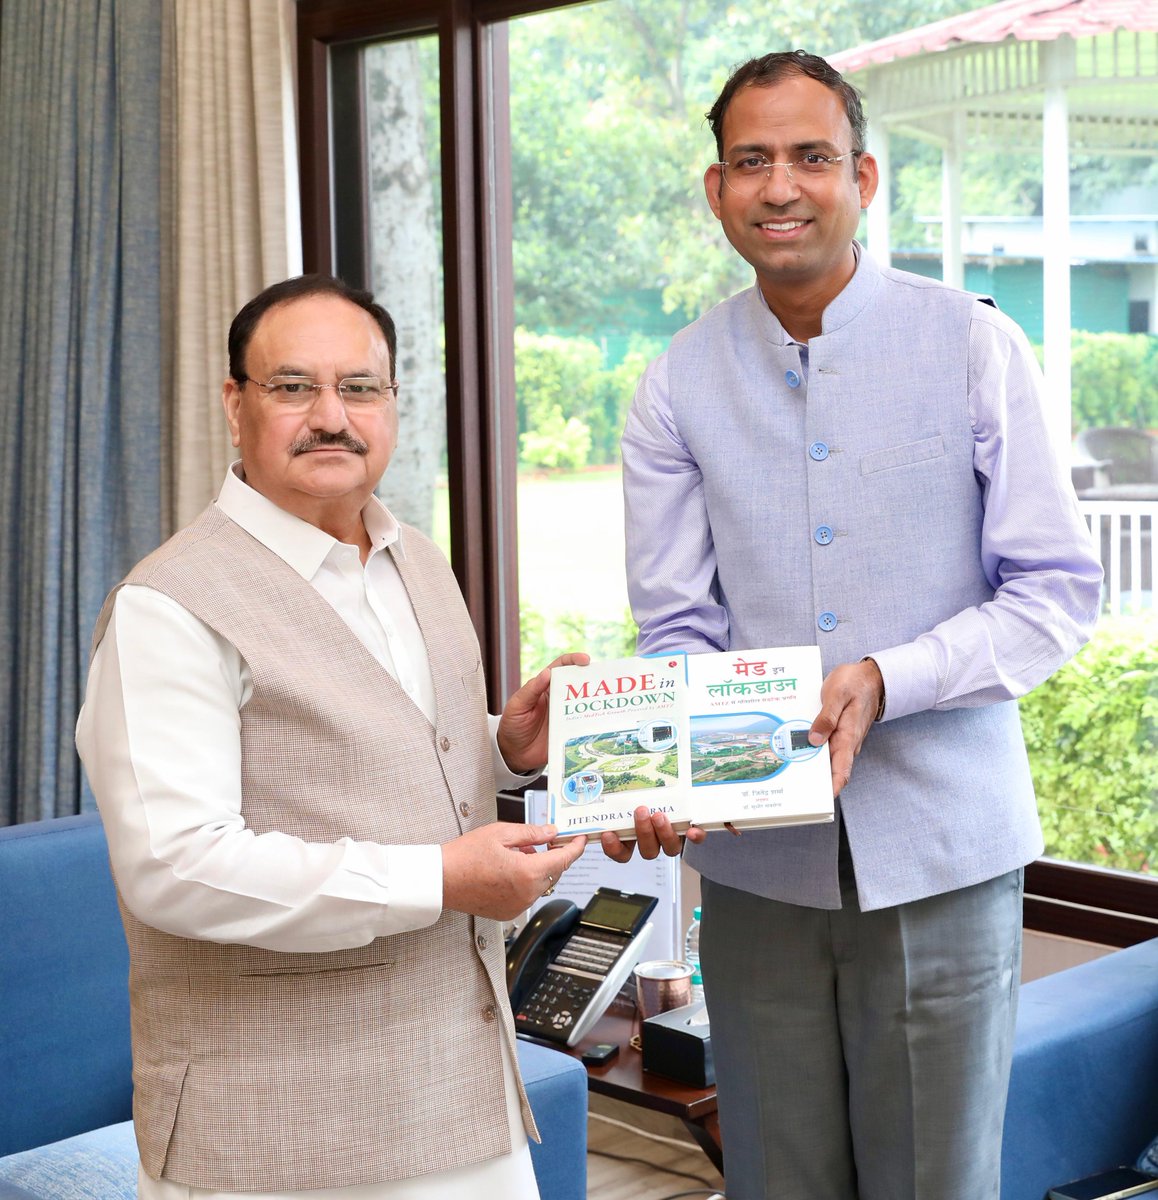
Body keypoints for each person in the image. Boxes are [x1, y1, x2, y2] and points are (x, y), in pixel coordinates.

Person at [605, 50, 1103, 1200]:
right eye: (751, 160)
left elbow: (1054, 594)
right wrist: (662, 761)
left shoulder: (972, 341)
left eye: (811, 157)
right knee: (775, 1181)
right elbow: (677, 627)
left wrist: (892, 675)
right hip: (755, 875)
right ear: (717, 189)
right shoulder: (674, 384)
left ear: (863, 177)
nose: (780, 186)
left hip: (944, 855)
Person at [76, 274, 587, 1200]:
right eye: (292, 387)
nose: (331, 416)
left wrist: (502, 745)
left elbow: (369, 747)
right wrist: (438, 877)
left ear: (391, 406)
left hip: (464, 1097)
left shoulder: (416, 560)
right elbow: (177, 867)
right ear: (236, 406)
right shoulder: (168, 607)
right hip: (280, 1136)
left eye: (360, 388)